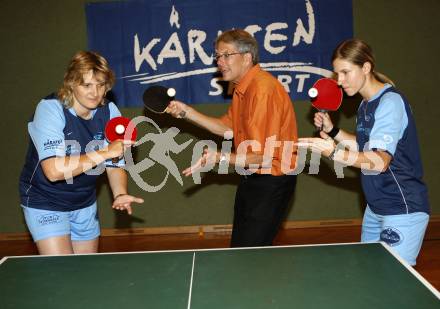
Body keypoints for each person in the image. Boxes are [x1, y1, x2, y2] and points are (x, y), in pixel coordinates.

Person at [298, 39, 430, 266]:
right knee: (371, 275)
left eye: (345, 72)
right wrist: (334, 131)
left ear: (366, 67)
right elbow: (365, 146)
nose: (339, 81)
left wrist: (333, 153)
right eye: (336, 74)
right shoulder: (366, 104)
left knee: (394, 283)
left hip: (401, 208)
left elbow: (379, 162)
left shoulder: (390, 102)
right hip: (376, 207)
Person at [166, 29, 298, 247]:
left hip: (272, 182)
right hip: (251, 177)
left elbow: (264, 157)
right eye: (218, 56)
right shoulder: (242, 89)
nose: (220, 61)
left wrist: (219, 157)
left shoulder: (263, 90)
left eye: (227, 55)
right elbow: (227, 128)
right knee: (240, 249)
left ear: (247, 58)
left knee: (250, 254)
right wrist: (186, 112)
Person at [19, 51, 144, 255]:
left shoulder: (109, 112)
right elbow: (53, 171)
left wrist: (120, 192)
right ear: (71, 84)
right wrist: (104, 152)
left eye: (100, 85)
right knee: (61, 273)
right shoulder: (51, 109)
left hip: (84, 201)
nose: (95, 92)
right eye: (87, 85)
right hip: (46, 201)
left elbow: (115, 164)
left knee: (84, 273)